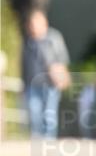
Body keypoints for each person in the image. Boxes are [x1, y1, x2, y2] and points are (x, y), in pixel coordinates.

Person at [21, 9, 70, 138]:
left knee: (49, 113)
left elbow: (62, 59)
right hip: (32, 83)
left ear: (44, 23)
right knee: (34, 113)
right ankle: (37, 138)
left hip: (50, 83)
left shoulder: (53, 38)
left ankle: (48, 140)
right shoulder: (27, 41)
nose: (33, 27)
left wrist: (61, 76)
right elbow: (24, 64)